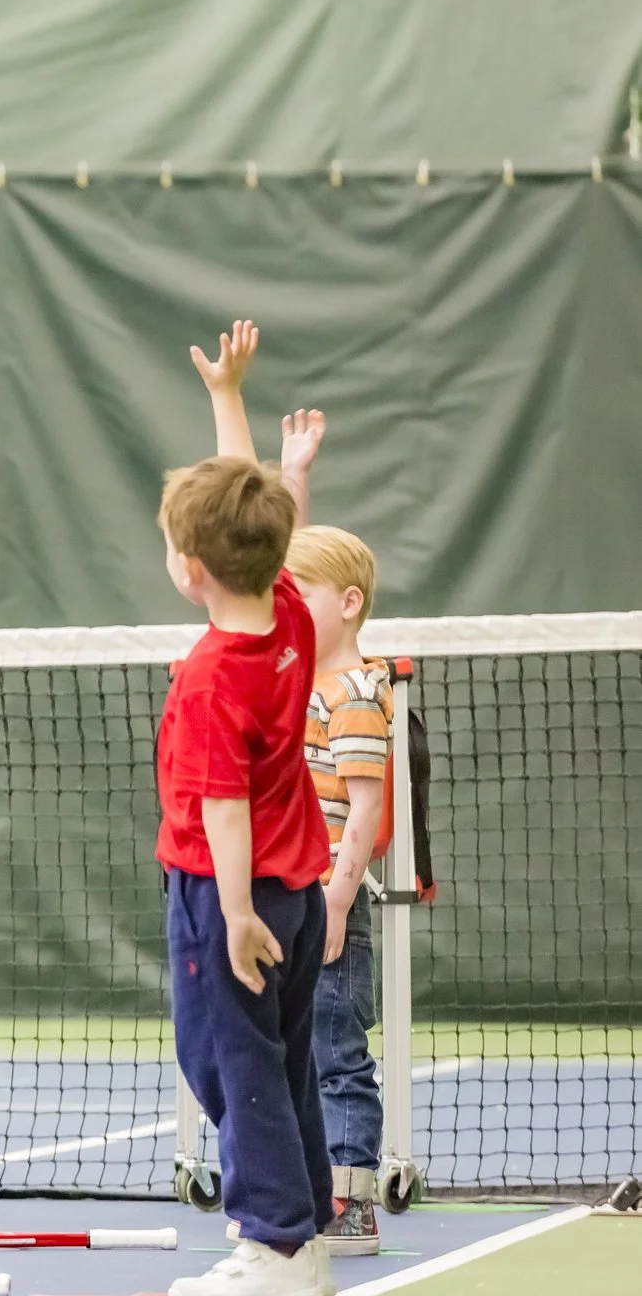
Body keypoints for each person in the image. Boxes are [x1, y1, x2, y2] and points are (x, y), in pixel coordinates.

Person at [157, 320, 336, 1296]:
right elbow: (261, 513)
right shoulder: (291, 617)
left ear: (190, 568)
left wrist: (229, 914)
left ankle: (269, 1244)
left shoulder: (212, 678)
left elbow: (221, 805)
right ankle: (301, 1235)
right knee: (284, 1060)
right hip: (298, 890)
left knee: (229, 1061)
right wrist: (231, 401)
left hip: (233, 894)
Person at [283, 510, 393, 1257]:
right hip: (290, 898)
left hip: (326, 905)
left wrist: (337, 901)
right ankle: (301, 1190)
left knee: (335, 1050)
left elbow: (366, 806)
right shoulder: (304, 681)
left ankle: (350, 1205)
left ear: (349, 601)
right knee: (292, 1048)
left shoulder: (353, 689)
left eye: (302, 592)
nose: (286, 605)